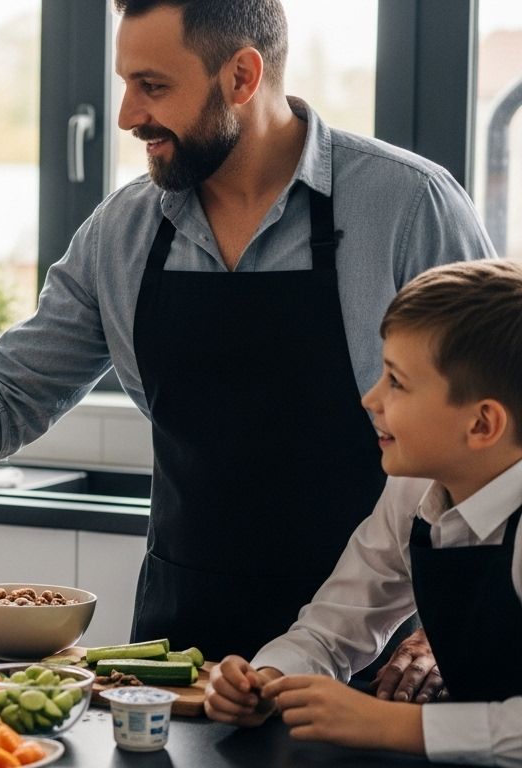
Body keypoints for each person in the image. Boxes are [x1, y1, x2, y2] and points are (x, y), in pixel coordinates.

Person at [0, 0, 494, 678]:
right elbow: (1, 399)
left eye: (153, 86)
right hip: (177, 649)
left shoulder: (407, 205)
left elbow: (497, 427)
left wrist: (438, 621)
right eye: (126, 82)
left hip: (383, 648)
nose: (126, 115)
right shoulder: (124, 232)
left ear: (242, 76)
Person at [203, 260, 522, 763]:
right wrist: (267, 682)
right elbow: (334, 629)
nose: (370, 397)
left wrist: (390, 724)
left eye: (396, 381)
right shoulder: (413, 490)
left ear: (482, 424)